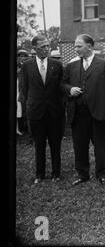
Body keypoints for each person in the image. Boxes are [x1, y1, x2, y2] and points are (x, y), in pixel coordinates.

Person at [62, 34, 105, 185]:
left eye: (79, 46)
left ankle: (102, 174)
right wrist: (70, 89)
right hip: (78, 113)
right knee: (79, 145)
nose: (76, 49)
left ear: (90, 46)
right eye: (75, 46)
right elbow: (62, 84)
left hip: (98, 111)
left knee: (99, 144)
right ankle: (82, 174)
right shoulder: (71, 66)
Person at [21, 35, 65, 184]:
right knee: (39, 145)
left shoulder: (57, 65)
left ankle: (56, 173)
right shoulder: (26, 66)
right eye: (43, 46)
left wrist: (61, 107)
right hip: (36, 112)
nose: (47, 49)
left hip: (54, 112)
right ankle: (39, 174)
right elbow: (24, 90)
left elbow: (61, 88)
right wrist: (30, 107)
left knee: (55, 144)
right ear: (35, 49)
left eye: (48, 46)